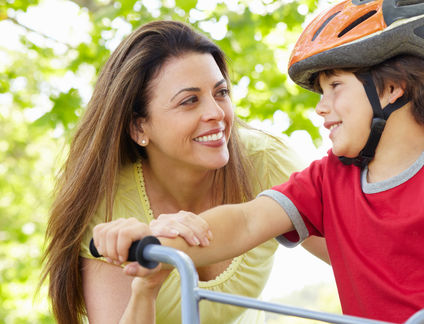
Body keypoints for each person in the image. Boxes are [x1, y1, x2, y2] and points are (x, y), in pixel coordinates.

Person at [92, 0, 424, 323]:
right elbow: (243, 222)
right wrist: (155, 238)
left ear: (390, 88)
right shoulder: (325, 181)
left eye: (335, 88)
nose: (321, 108)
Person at [40, 20, 328, 324]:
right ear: (139, 126)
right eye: (189, 101)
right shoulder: (109, 207)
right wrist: (147, 286)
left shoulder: (267, 162)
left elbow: (356, 256)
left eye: (221, 93)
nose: (217, 113)